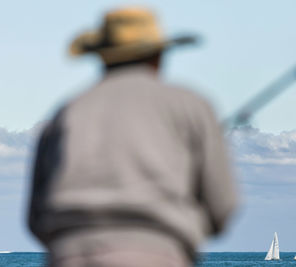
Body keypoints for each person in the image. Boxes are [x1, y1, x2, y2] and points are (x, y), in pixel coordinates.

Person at [27, 7, 237, 267]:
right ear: (158, 56)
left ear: (102, 57)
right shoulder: (191, 105)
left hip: (70, 254)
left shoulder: (66, 112)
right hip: (158, 252)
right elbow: (222, 206)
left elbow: (35, 217)